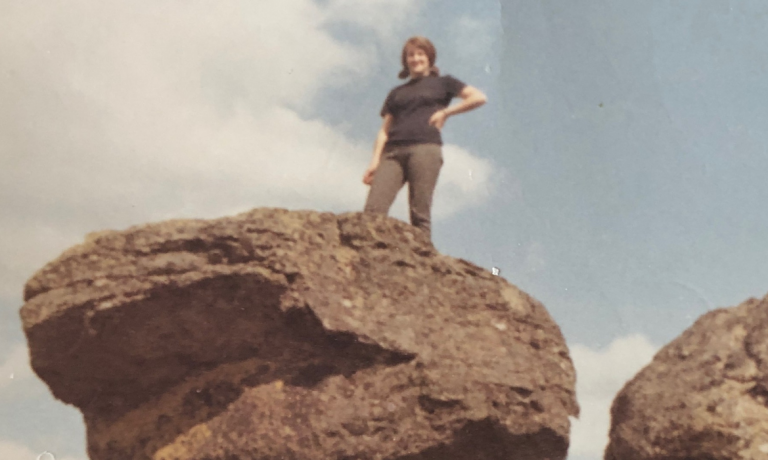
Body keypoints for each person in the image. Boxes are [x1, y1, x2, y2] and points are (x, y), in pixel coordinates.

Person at [362, 36, 487, 241]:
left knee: (420, 212)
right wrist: (375, 161)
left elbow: (478, 97)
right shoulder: (396, 93)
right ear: (406, 61)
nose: (415, 58)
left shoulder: (444, 83)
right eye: (411, 55)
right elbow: (384, 130)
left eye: (420, 54)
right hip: (392, 153)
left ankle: (423, 267)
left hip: (425, 149)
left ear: (429, 58)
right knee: (372, 210)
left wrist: (446, 113)